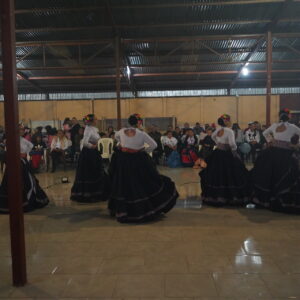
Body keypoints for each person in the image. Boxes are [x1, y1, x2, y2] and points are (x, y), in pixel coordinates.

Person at [108, 114, 178, 223]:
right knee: (140, 182)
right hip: (137, 160)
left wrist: (123, 145)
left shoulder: (121, 131)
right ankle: (140, 209)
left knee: (124, 183)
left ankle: (124, 210)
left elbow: (116, 138)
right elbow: (154, 145)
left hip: (124, 161)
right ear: (138, 123)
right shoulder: (141, 133)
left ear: (129, 122)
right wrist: (142, 150)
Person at [251, 109, 300, 213]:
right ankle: (282, 198)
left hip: (273, 152)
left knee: (271, 174)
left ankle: (269, 198)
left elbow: (265, 133)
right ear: (289, 116)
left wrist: (270, 140)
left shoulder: (274, 126)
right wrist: (295, 145)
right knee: (284, 175)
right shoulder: (293, 127)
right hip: (286, 154)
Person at [199, 114, 250, 206]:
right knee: (232, 174)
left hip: (217, 153)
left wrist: (218, 143)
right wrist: (235, 153)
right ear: (227, 121)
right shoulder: (229, 131)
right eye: (228, 120)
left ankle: (215, 196)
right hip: (227, 154)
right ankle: (229, 196)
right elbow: (232, 144)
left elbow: (212, 137)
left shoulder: (218, 129)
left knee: (217, 174)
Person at [0, 126, 49, 213]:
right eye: (20, 130)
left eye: (23, 130)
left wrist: (25, 153)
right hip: (13, 164)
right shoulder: (10, 140)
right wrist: (19, 154)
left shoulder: (24, 140)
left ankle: (29, 200)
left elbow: (31, 146)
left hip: (23, 163)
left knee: (29, 181)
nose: (22, 131)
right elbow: (7, 152)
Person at [71, 114, 110, 202]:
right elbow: (84, 143)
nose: (97, 120)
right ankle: (92, 193)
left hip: (93, 153)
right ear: (92, 121)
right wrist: (94, 146)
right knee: (91, 173)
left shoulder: (94, 129)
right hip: (89, 154)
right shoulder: (88, 129)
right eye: (96, 119)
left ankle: (99, 191)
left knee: (97, 172)